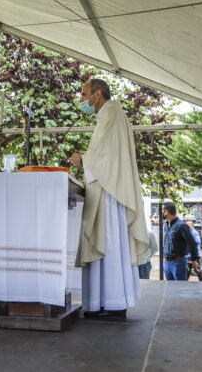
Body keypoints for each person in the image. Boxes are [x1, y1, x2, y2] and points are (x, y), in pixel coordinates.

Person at [70, 78, 148, 320]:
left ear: (98, 94)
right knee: (108, 245)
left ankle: (113, 304)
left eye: (84, 94)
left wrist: (82, 160)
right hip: (105, 188)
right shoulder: (107, 115)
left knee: (110, 245)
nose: (82, 100)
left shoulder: (112, 114)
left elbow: (105, 156)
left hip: (109, 192)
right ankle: (102, 303)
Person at [162, 203, 199, 281]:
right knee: (169, 289)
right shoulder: (165, 225)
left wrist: (193, 260)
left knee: (180, 290)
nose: (161, 212)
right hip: (167, 263)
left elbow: (192, 243)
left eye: (162, 210)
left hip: (178, 262)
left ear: (167, 211)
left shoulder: (181, 225)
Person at [183, 214, 202, 281]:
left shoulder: (194, 232)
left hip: (194, 254)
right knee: (188, 270)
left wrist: (189, 242)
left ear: (192, 225)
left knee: (197, 269)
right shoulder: (188, 232)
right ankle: (186, 281)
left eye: (189, 225)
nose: (187, 227)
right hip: (189, 254)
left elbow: (198, 242)